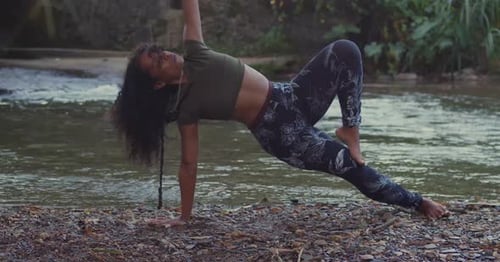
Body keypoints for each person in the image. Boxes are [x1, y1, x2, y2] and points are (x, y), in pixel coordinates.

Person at [112, 0, 449, 226]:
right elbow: (188, 164)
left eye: (161, 52)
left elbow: (191, 5)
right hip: (281, 134)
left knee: (346, 50)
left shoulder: (195, 51)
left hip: (293, 95)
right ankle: (417, 202)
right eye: (157, 62)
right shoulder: (186, 107)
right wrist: (184, 217)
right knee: (347, 164)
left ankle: (351, 129)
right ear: (157, 84)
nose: (167, 56)